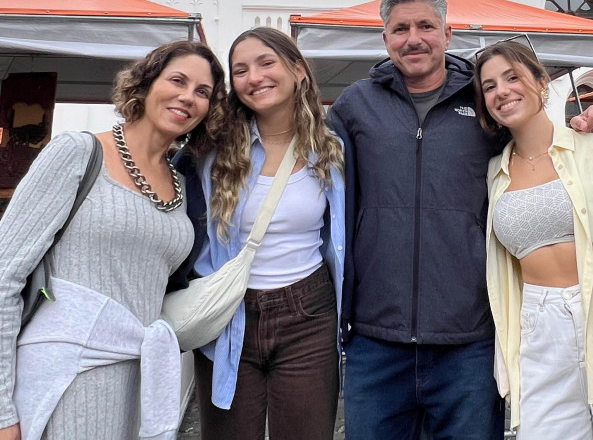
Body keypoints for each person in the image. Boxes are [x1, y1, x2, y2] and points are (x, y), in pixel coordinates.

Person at [328, 0, 593, 439]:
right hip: (376, 339)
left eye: (426, 25)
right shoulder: (355, 106)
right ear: (385, 39)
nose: (414, 38)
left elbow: (536, 145)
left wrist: (587, 127)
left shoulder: (482, 102)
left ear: (447, 32)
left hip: (468, 341)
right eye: (400, 29)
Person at [0, 41, 225, 439]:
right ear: (145, 82)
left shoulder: (182, 183)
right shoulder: (78, 152)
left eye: (202, 92)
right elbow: (4, 277)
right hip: (67, 376)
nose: (188, 97)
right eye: (177, 80)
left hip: (137, 378)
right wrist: (3, 412)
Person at [473, 41, 593, 439]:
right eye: (489, 86)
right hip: (539, 326)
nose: (501, 91)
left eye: (511, 77)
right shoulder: (492, 171)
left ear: (541, 81)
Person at [187, 28, 345, 440]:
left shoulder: (332, 149)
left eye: (266, 63)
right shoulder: (209, 150)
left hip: (308, 312)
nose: (254, 77)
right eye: (240, 70)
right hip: (227, 312)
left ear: (298, 70)